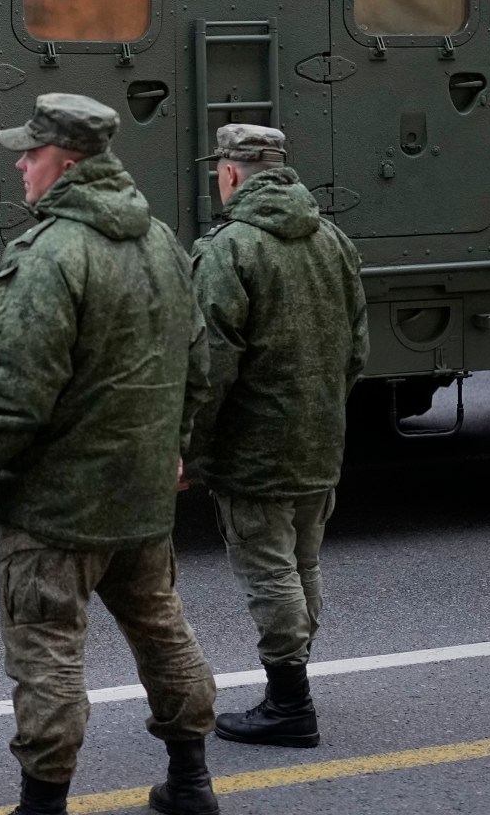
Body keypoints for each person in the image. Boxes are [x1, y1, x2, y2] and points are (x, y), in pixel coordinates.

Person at [0, 93, 219, 815]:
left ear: (66, 163)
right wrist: (176, 450)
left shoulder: (50, 254)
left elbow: (16, 387)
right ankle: (191, 782)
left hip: (60, 504)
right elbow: (199, 364)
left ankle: (44, 804)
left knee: (47, 650)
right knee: (161, 628)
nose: (21, 168)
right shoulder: (162, 242)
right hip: (143, 494)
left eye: (29, 155)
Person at [187, 125, 366, 750]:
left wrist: (189, 447)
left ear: (233, 173)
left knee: (268, 572)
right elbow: (357, 347)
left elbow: (211, 366)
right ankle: (290, 684)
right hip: (321, 437)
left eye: (220, 169)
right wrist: (323, 408)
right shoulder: (334, 241)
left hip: (254, 449)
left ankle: (290, 704)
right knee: (303, 563)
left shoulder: (229, 249)